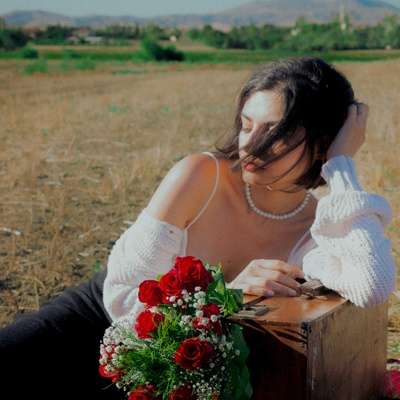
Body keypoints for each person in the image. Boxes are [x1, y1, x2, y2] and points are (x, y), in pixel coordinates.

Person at [0, 56, 396, 398]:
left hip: (178, 366)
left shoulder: (316, 225)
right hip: (96, 321)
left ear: (323, 143)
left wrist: (341, 165)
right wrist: (228, 293)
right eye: (246, 125)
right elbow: (123, 297)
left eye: (277, 133)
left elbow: (371, 285)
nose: (250, 144)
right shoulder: (200, 175)